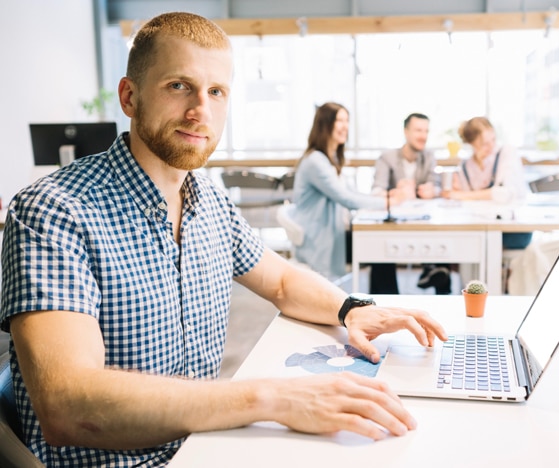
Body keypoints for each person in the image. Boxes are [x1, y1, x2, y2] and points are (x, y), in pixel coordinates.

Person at [0, 13, 446, 467]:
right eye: (179, 86)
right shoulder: (52, 211)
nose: (201, 111)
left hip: (205, 448)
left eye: (216, 92)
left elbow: (282, 282)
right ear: (129, 97)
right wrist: (271, 398)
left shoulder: (209, 201)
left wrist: (353, 309)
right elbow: (69, 405)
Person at [292, 102, 407, 281]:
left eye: (347, 120)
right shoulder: (316, 161)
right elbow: (347, 199)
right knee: (379, 246)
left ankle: (383, 299)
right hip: (318, 240)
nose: (345, 126)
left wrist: (384, 196)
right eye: (339, 120)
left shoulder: (331, 158)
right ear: (325, 124)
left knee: (380, 248)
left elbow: (350, 192)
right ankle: (383, 298)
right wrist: (388, 203)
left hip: (333, 233)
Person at [369, 113, 449, 294]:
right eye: (418, 130)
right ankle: (388, 301)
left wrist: (432, 190)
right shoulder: (387, 158)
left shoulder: (428, 157)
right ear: (406, 132)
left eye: (426, 131)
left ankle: (437, 278)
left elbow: (436, 186)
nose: (423, 136)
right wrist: (396, 192)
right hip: (393, 225)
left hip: (422, 222)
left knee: (443, 239)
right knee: (380, 251)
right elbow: (376, 191)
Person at [443, 116, 532, 250]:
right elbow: (467, 205)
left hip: (512, 228)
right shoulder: (466, 167)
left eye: (493, 139)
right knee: (464, 241)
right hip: (481, 227)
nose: (491, 146)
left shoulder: (506, 153)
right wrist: (458, 193)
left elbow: (504, 193)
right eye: (484, 143)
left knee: (482, 243)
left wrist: (461, 195)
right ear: (472, 144)